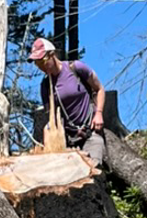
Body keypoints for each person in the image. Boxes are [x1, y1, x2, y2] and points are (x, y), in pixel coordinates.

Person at [28, 38, 107, 166]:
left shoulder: (75, 68)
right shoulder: (45, 86)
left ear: (52, 55)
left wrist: (99, 113)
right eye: (37, 63)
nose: (40, 66)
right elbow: (52, 118)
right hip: (68, 141)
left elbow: (99, 89)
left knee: (93, 169)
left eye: (42, 61)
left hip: (90, 134)